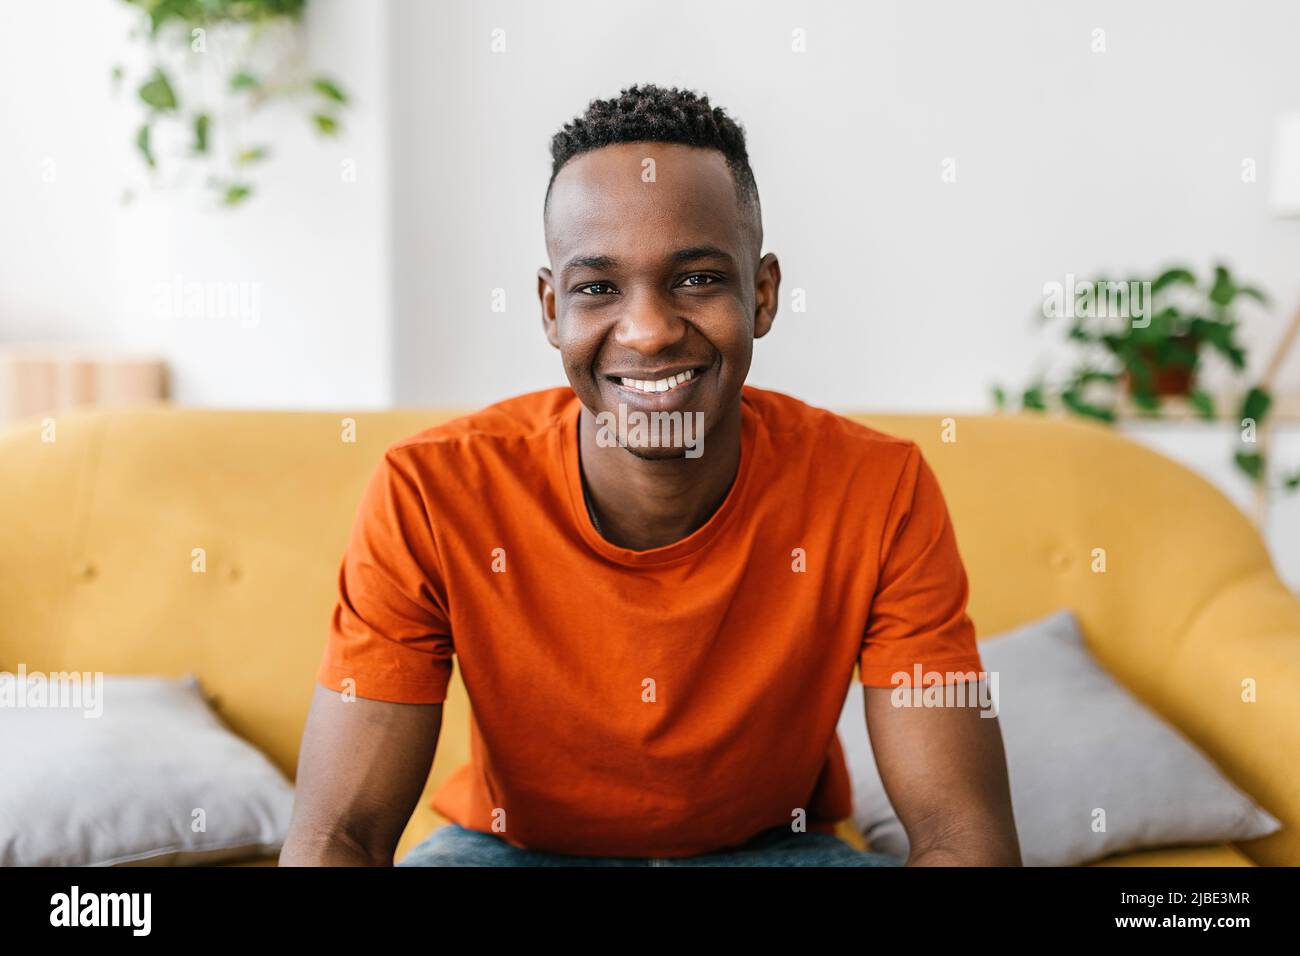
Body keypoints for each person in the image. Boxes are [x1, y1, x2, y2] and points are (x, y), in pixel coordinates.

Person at [281, 83, 1021, 867]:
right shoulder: (427, 492)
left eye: (696, 278)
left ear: (761, 293)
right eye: (597, 288)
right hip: (511, 853)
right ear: (549, 309)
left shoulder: (883, 489)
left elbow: (960, 831)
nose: (649, 331)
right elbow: (339, 836)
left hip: (773, 851)